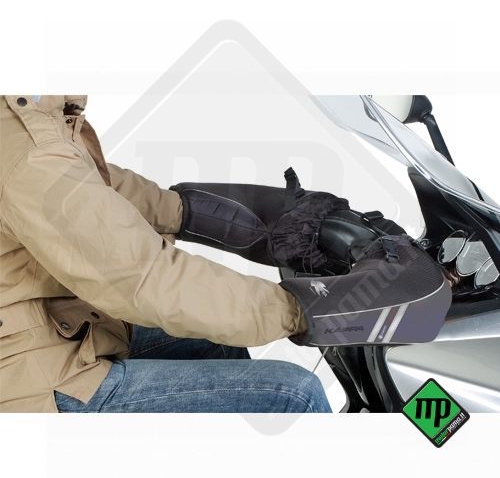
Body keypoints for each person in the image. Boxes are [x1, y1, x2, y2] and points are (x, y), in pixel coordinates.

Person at [0, 95, 450, 413]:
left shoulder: (35, 118)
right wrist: (306, 309)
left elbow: (101, 193)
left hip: (50, 330)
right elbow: (147, 281)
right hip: (32, 383)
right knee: (291, 398)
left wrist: (227, 215)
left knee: (211, 340)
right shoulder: (28, 148)